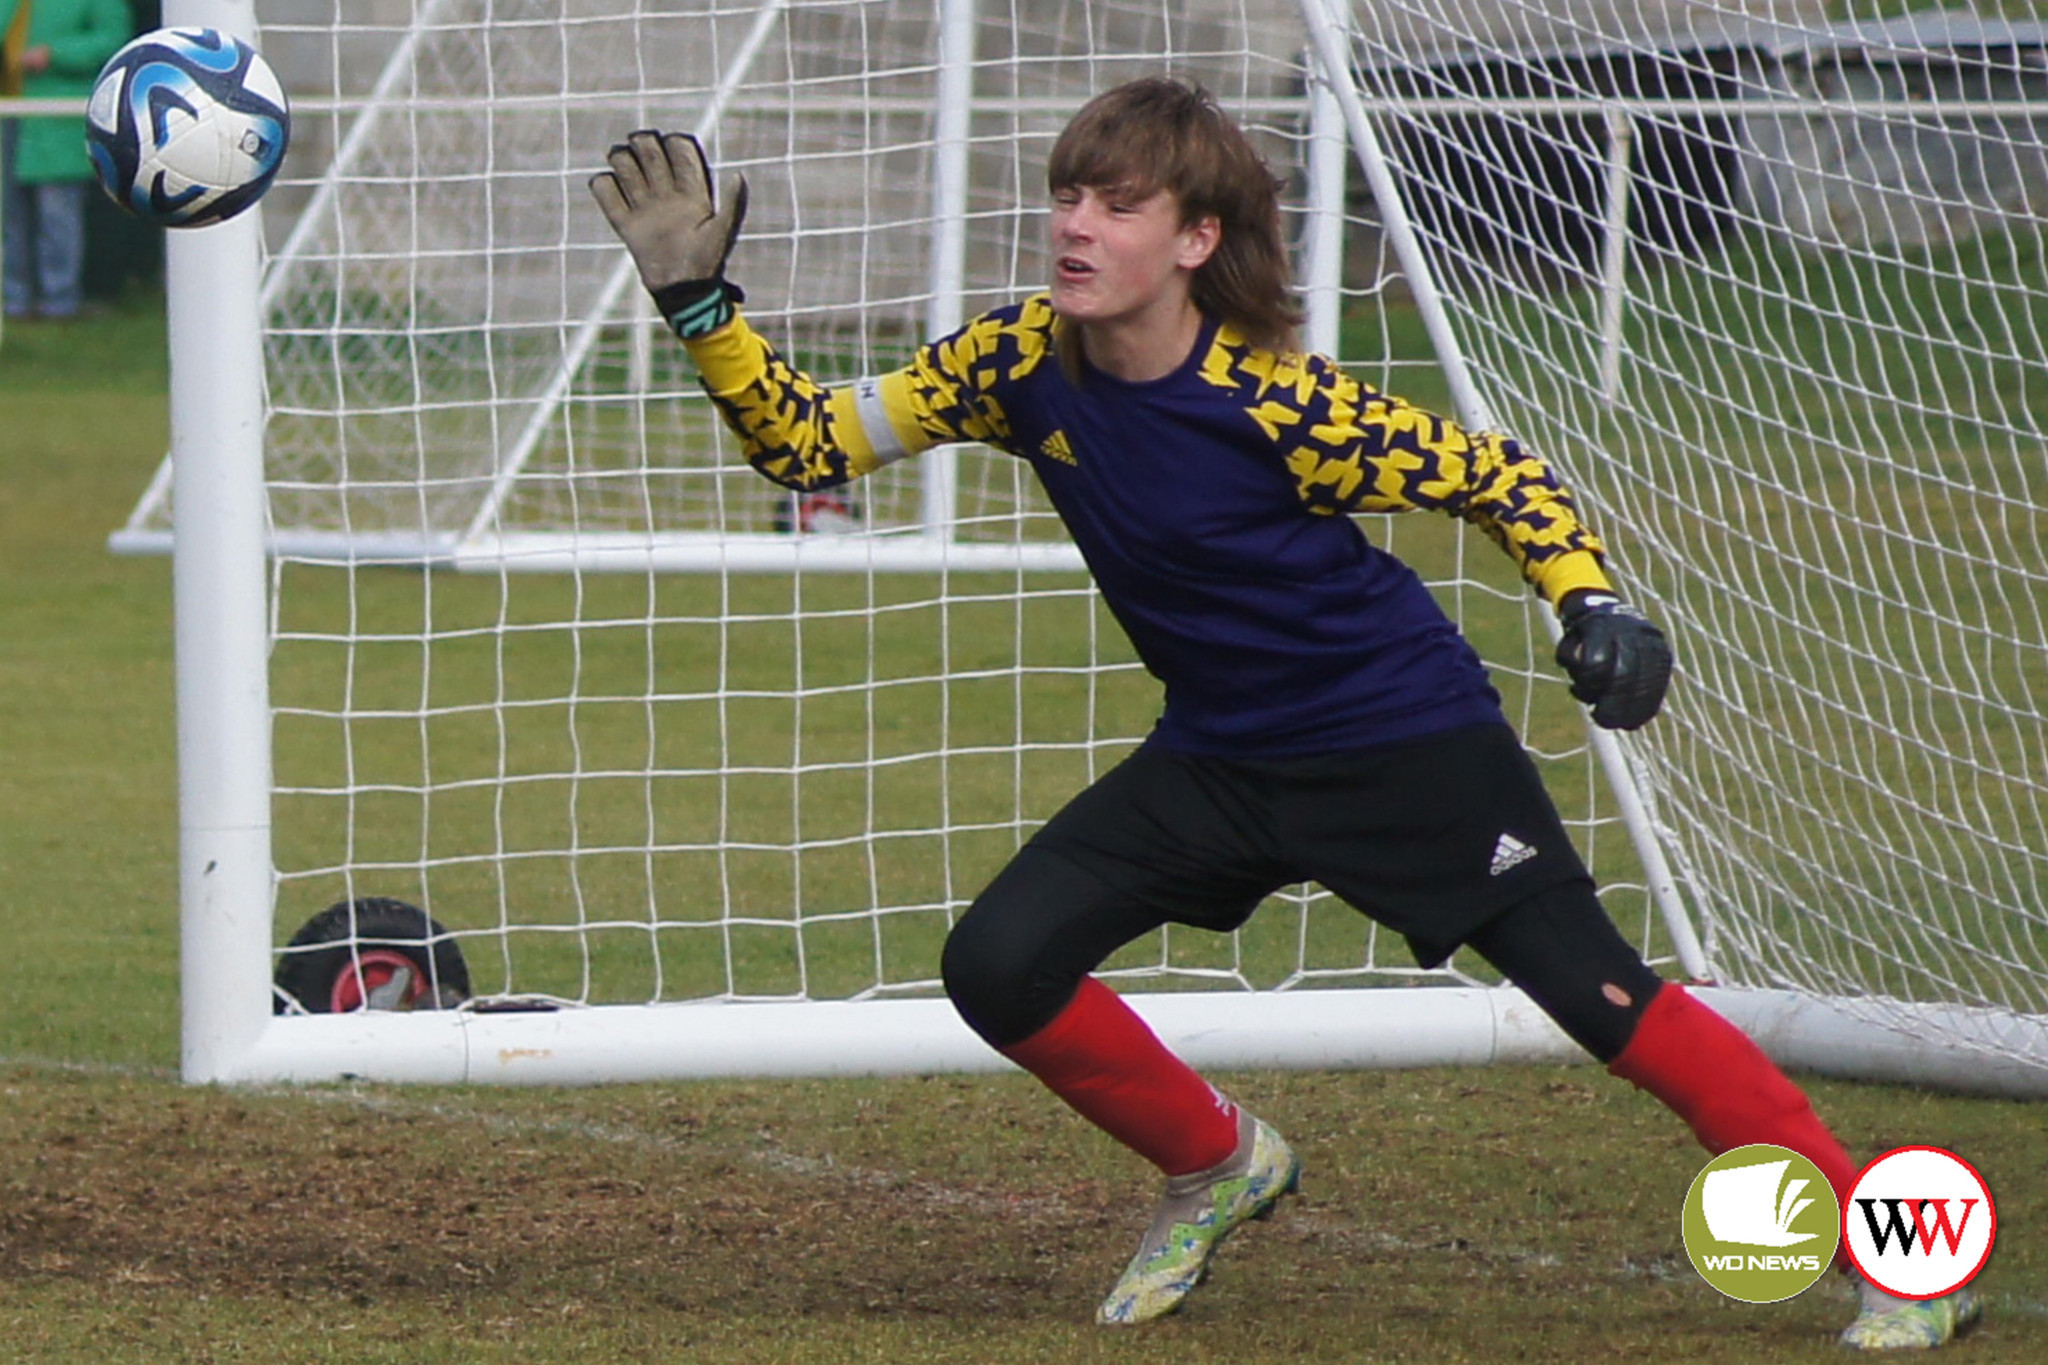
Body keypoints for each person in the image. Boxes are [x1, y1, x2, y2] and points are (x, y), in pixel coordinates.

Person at [590, 78, 1980, 1350]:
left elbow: (1502, 478)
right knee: (997, 965)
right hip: (1219, 755)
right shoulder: (1019, 358)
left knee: (1605, 999)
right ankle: (1218, 1161)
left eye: (1114, 202)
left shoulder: (1278, 403)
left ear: (1196, 239)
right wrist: (704, 310)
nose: (1073, 225)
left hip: (1403, 745)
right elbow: (810, 442)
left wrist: (1590, 604)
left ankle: (1904, 1254)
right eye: (1066, 195)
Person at [1, 0, 130, 321]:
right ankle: (14, 299)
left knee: (56, 209)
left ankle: (59, 300)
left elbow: (113, 39)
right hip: (8, 110)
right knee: (8, 210)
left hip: (55, 113)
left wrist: (55, 54)